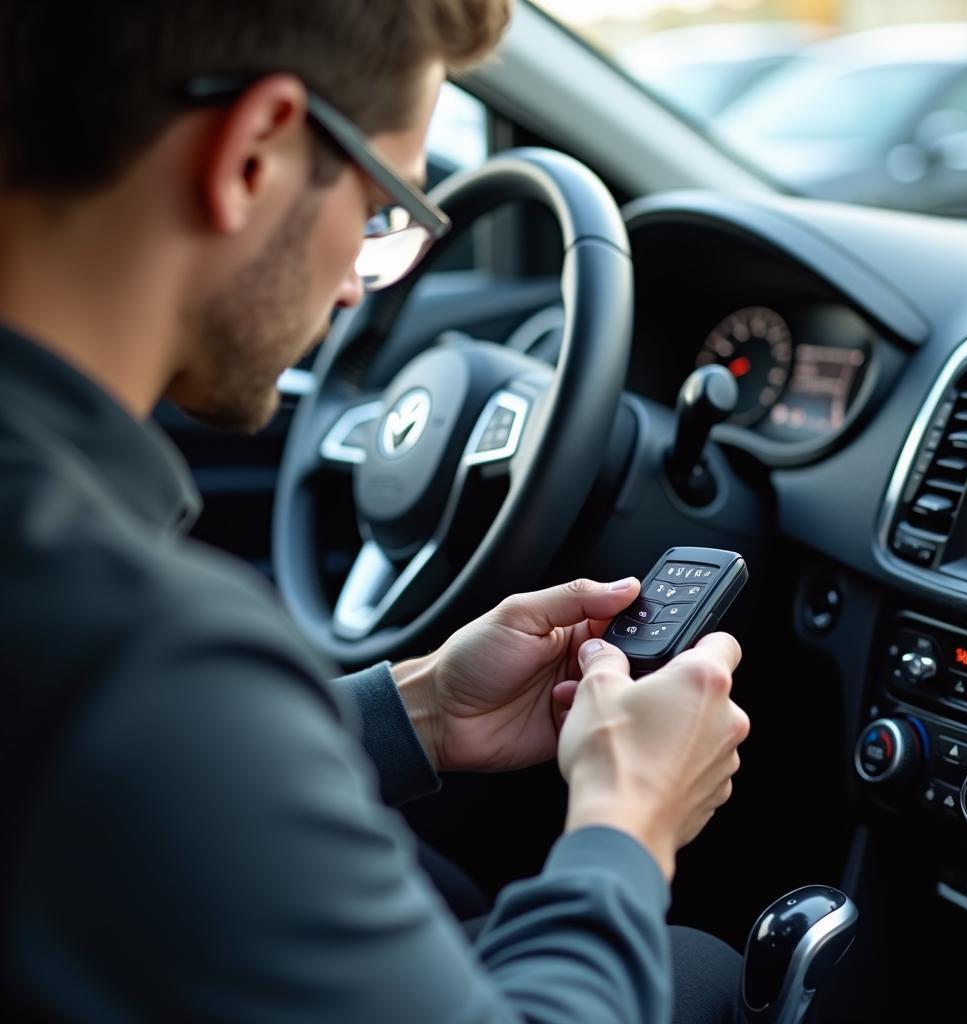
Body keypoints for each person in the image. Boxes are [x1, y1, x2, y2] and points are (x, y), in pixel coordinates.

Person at [0, 1, 751, 1021]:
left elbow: (144, 781)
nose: (358, 287)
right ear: (252, 154)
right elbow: (153, 728)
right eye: (385, 206)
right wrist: (625, 822)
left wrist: (423, 708)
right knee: (698, 968)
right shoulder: (140, 651)